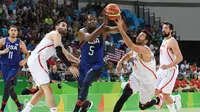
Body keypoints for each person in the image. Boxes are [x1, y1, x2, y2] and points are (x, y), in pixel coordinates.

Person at [22, 19, 80, 112]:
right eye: (63, 25)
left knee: (42, 91)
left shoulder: (58, 39)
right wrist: (70, 66)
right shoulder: (55, 33)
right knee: (47, 87)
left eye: (66, 26)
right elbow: (59, 52)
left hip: (36, 60)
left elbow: (67, 54)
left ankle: (25, 111)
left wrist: (77, 60)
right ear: (57, 26)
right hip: (38, 59)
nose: (65, 28)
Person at [73, 14, 126, 112]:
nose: (92, 21)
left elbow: (121, 29)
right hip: (83, 66)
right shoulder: (82, 31)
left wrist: (120, 20)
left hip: (97, 65)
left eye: (94, 19)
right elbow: (90, 38)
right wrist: (103, 25)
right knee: (81, 94)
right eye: (89, 20)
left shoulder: (104, 29)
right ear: (85, 22)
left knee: (86, 82)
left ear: (97, 21)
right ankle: (86, 105)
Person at [113, 17, 158, 112]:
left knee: (142, 107)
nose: (138, 36)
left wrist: (120, 29)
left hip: (148, 82)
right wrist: (120, 61)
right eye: (139, 34)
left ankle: (157, 100)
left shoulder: (146, 51)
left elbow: (130, 46)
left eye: (141, 36)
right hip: (136, 78)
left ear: (145, 41)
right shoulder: (136, 49)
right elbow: (128, 55)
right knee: (124, 96)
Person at [141, 22, 183, 112]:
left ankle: (172, 99)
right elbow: (166, 57)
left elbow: (180, 58)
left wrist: (168, 66)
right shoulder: (164, 41)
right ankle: (175, 98)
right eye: (163, 28)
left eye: (166, 28)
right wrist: (159, 65)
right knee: (160, 92)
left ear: (171, 30)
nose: (164, 30)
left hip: (170, 70)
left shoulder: (172, 41)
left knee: (159, 92)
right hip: (161, 70)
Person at [0, 25, 29, 112]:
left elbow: (27, 54)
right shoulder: (3, 40)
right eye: (11, 30)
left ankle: (2, 109)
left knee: (6, 87)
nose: (13, 32)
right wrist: (2, 51)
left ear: (17, 32)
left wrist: (25, 61)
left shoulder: (20, 42)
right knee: (10, 89)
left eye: (15, 30)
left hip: (16, 67)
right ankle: (19, 106)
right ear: (8, 31)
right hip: (5, 67)